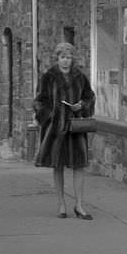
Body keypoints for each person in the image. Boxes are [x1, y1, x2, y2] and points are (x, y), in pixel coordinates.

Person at [33, 42, 96, 219]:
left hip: (75, 128)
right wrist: (49, 116)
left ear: (72, 59)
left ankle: (79, 206)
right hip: (55, 130)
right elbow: (39, 101)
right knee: (58, 166)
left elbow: (89, 96)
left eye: (68, 57)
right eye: (62, 57)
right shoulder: (49, 77)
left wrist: (82, 106)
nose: (65, 61)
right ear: (57, 58)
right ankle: (61, 205)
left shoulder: (80, 77)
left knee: (79, 166)